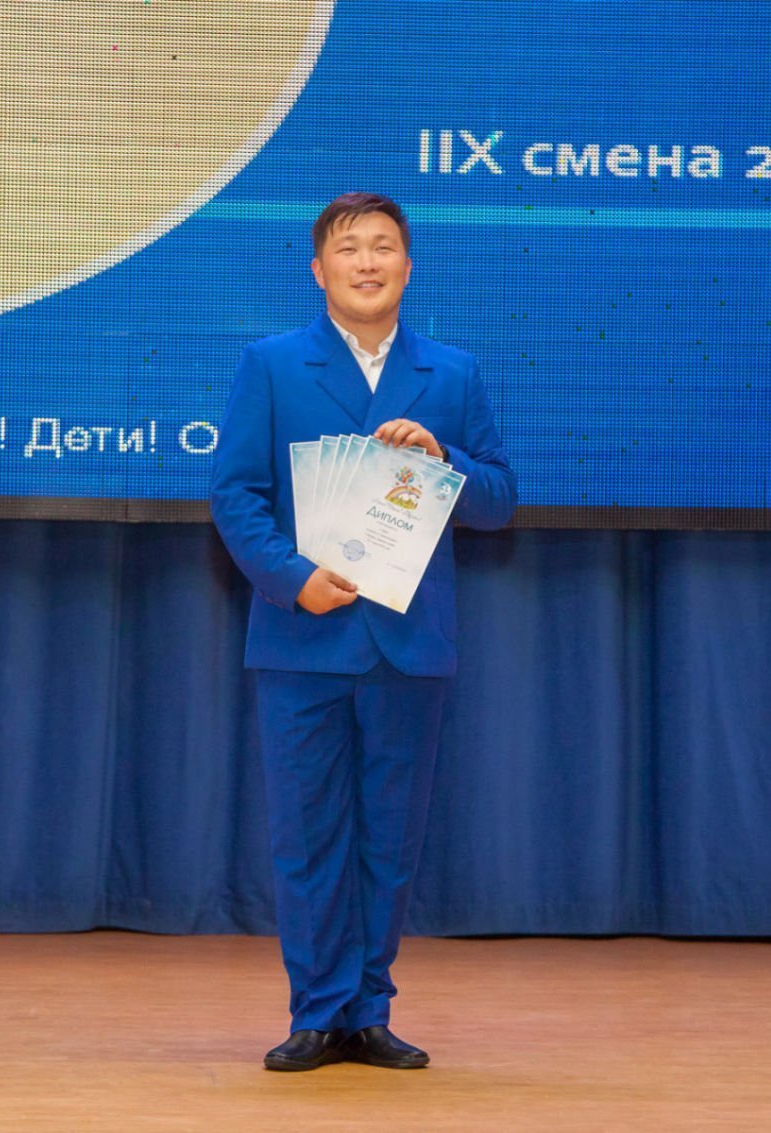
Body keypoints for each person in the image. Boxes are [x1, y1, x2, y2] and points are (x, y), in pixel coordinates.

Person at [210, 192, 516, 1071]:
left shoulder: (451, 374)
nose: (368, 261)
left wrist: (445, 461)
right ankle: (316, 1011)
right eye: (350, 248)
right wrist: (291, 579)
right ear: (320, 269)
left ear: (408, 268)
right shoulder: (272, 364)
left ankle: (369, 1008)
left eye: (384, 247)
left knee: (391, 838)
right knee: (307, 837)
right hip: (302, 638)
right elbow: (235, 493)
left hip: (408, 644)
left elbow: (499, 499)